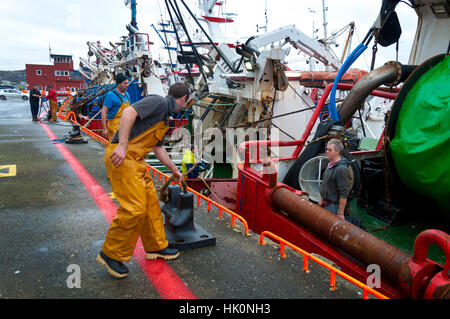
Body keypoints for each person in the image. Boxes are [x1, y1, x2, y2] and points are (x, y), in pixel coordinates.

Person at [97, 82, 191, 278]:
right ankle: (110, 254)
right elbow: (129, 113)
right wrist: (122, 145)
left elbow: (158, 148)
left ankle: (156, 246)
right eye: (186, 102)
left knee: (150, 205)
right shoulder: (158, 102)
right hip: (122, 158)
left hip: (136, 160)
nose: (185, 105)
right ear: (183, 99)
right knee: (134, 208)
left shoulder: (165, 117)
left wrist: (175, 171)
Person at [319, 139, 353, 220]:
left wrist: (340, 213)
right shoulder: (330, 164)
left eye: (330, 150)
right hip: (326, 203)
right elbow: (325, 184)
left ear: (337, 152)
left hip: (334, 207)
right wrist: (322, 200)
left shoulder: (341, 169)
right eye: (326, 149)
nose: (327, 151)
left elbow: (344, 193)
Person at [101, 73, 130, 141]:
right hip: (114, 128)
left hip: (125, 126)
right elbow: (104, 112)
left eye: (127, 83)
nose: (127, 85)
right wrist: (104, 129)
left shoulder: (127, 95)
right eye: (125, 83)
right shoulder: (111, 95)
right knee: (115, 149)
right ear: (118, 84)